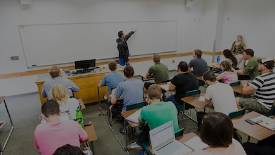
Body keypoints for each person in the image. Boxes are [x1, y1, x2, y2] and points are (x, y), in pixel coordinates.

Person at [127, 84, 179, 150]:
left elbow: (141, 121)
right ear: (161, 95)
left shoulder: (145, 109)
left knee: (147, 125)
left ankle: (140, 144)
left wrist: (148, 104)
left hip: (158, 142)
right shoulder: (171, 104)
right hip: (175, 137)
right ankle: (139, 143)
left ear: (147, 95)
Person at [110, 66, 143, 132]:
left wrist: (114, 93)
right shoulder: (140, 82)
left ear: (124, 74)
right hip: (140, 109)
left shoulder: (121, 85)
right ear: (134, 73)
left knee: (111, 107)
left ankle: (125, 128)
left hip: (127, 111)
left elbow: (113, 102)